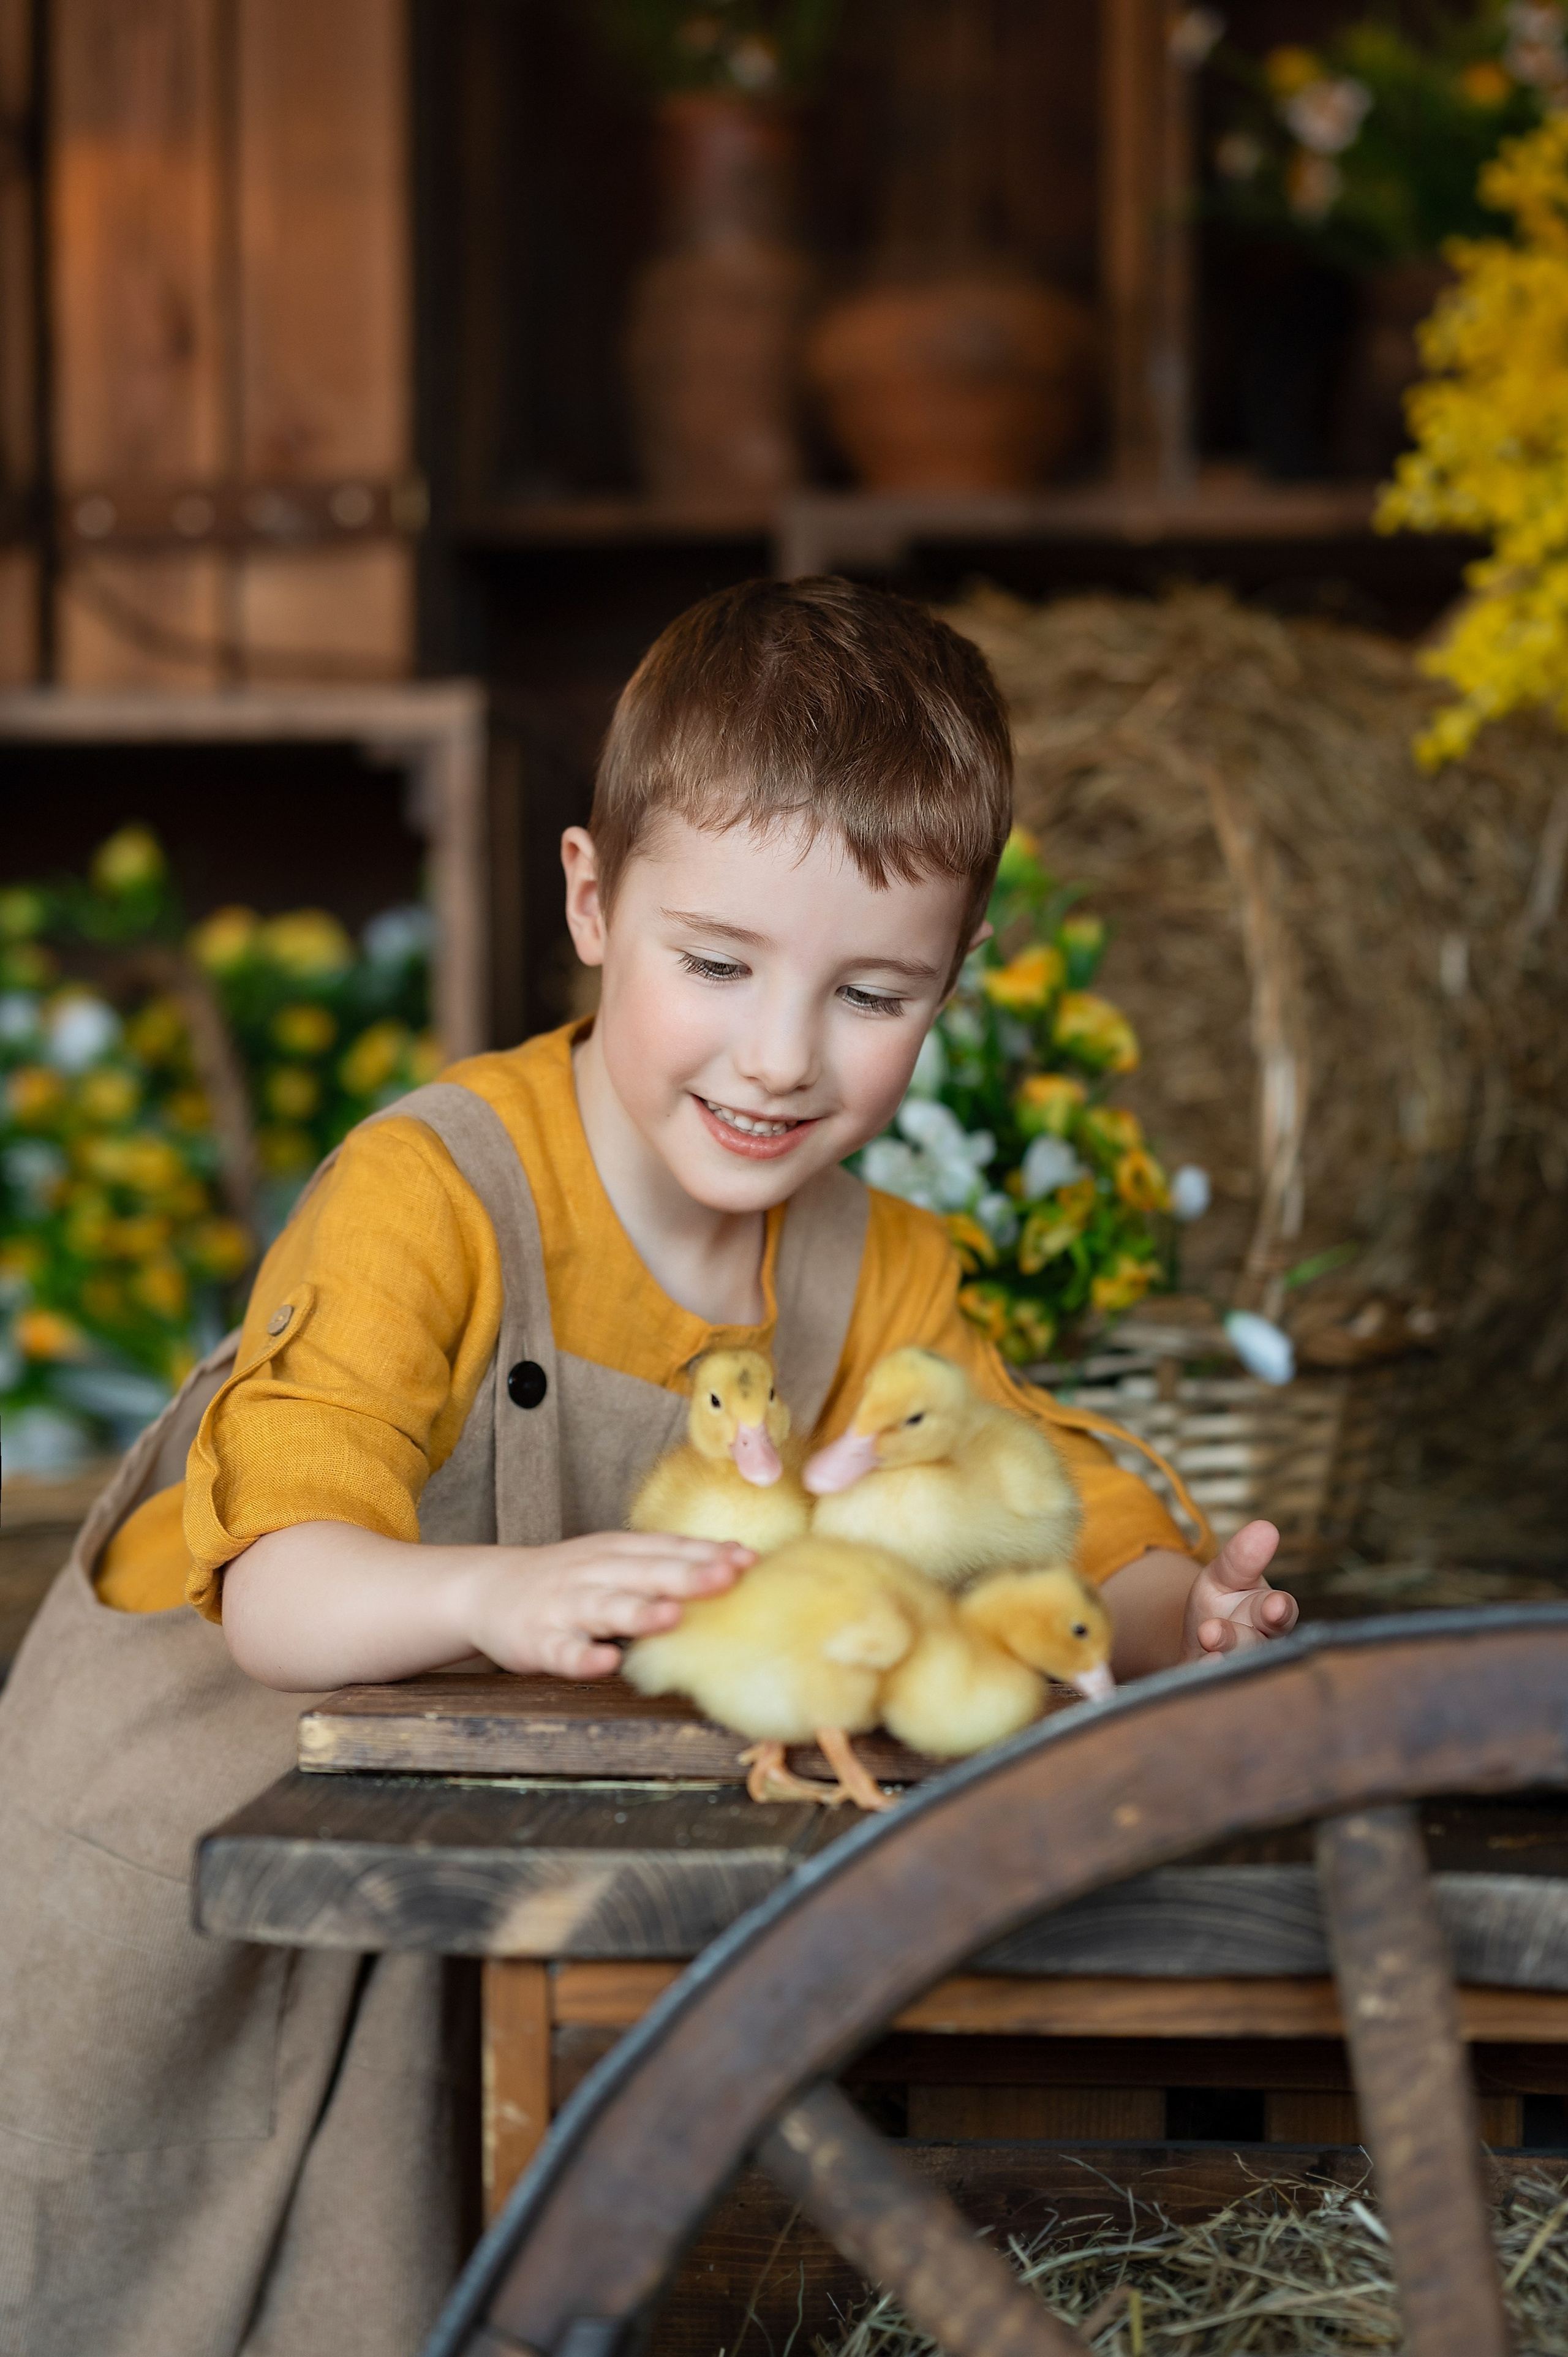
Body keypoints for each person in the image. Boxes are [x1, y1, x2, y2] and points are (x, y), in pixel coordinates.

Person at [0, 578, 1296, 2357]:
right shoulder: (434, 1189)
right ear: (593, 903)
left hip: (462, 1917)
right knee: (98, 2280)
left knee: (412, 2285)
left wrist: (1181, 1616)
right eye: (718, 965)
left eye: (870, 994)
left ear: (950, 985)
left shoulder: (877, 1271)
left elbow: (1053, 1533)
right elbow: (287, 1597)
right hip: (184, 1906)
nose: (781, 1057)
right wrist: (494, 1590)